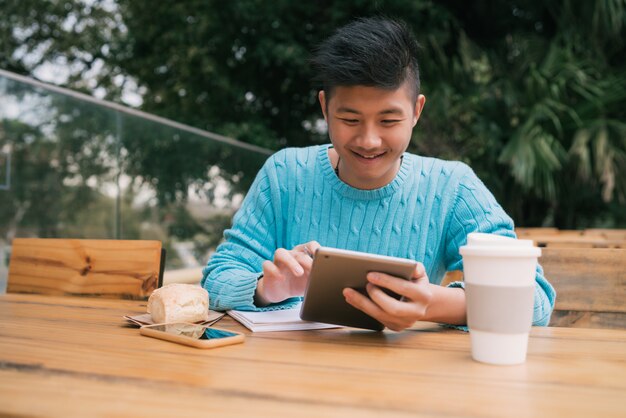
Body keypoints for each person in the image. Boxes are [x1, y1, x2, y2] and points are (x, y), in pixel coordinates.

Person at [202, 17, 555, 331]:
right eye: (350, 119)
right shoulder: (284, 174)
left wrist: (432, 306)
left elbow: (534, 299)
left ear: (416, 111)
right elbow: (215, 280)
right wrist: (267, 288)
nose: (369, 140)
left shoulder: (452, 187)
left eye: (388, 120)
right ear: (325, 107)